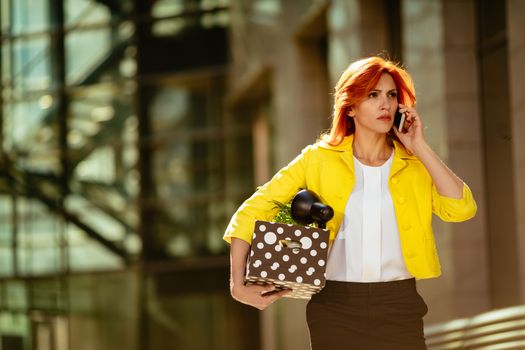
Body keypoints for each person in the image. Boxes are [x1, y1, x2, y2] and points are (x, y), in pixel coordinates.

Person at [223, 56, 477, 350]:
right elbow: (250, 212)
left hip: (399, 305)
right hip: (334, 307)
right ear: (351, 107)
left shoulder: (414, 164)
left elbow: (461, 209)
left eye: (391, 95)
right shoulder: (317, 159)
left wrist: (419, 146)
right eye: (373, 95)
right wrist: (237, 284)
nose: (385, 104)